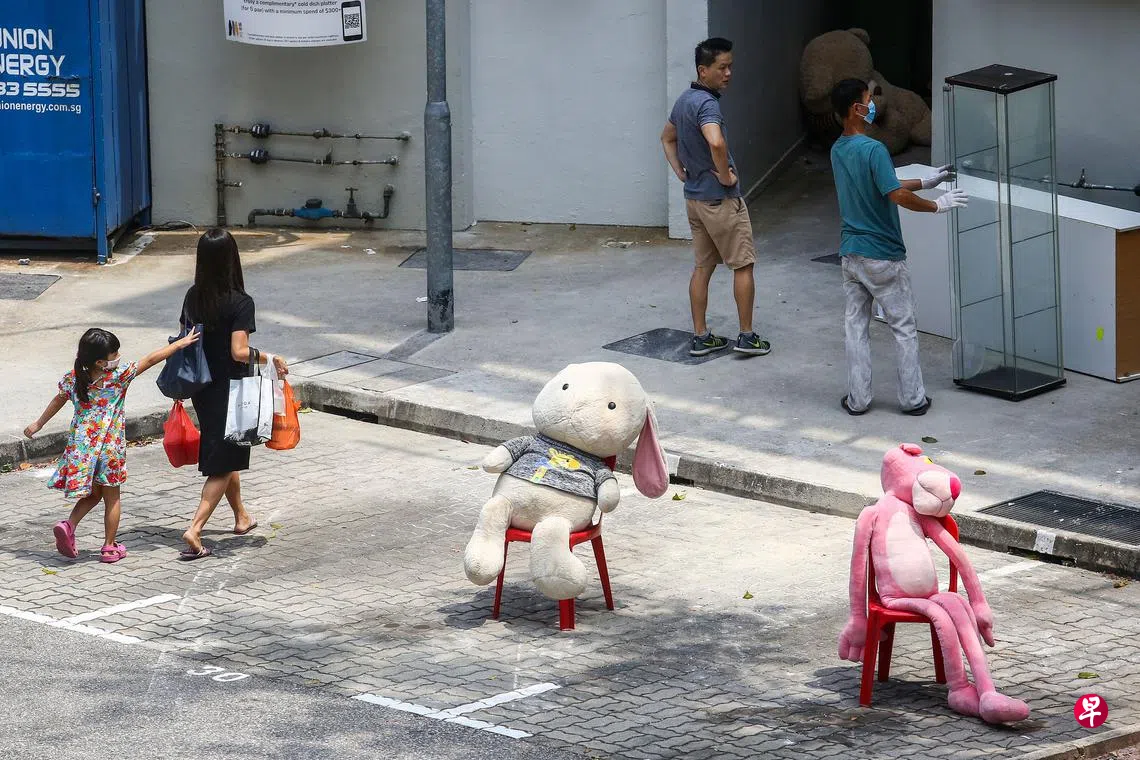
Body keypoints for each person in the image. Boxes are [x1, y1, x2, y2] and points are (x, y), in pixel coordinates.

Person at [829, 78, 968, 416]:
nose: (873, 104)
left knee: (856, 328)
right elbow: (894, 193)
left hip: (851, 253)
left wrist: (926, 181)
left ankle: (858, 400)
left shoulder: (838, 149)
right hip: (883, 256)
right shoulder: (874, 149)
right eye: (868, 99)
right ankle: (913, 399)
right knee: (904, 328)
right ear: (856, 109)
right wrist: (936, 205)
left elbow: (883, 182)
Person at [25, 326, 201, 563]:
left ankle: (69, 525)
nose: (119, 356)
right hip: (110, 450)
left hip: (82, 449)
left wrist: (38, 424)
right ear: (100, 362)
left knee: (93, 494)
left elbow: (58, 400)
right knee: (112, 498)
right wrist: (179, 344)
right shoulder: (118, 377)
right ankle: (109, 547)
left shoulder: (73, 378)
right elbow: (150, 359)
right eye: (114, 354)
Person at [179, 228, 289, 560]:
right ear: (232, 259)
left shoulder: (193, 297)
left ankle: (241, 516)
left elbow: (186, 339)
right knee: (224, 462)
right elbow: (239, 352)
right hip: (232, 391)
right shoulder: (240, 302)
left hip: (202, 387)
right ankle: (195, 528)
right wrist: (270, 357)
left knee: (229, 452)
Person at [661, 37, 771, 358]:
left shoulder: (684, 100)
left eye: (730, 67)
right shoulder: (708, 104)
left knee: (703, 267)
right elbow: (716, 142)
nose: (728, 73)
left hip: (695, 201)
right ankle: (747, 337)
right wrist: (725, 176)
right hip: (720, 201)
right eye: (722, 68)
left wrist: (680, 170)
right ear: (703, 70)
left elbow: (666, 137)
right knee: (743, 265)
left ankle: (701, 337)